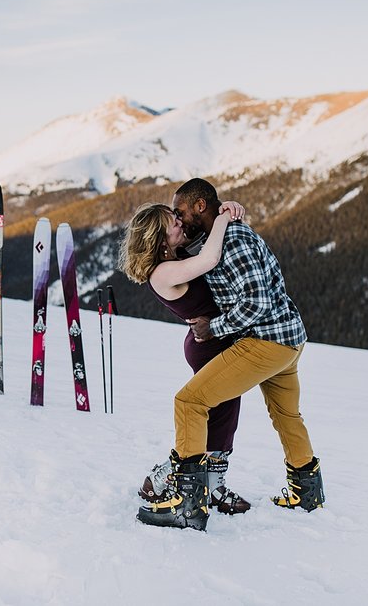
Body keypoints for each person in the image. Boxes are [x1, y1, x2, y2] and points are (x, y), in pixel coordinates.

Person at [138, 178, 325, 531]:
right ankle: (307, 492)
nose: (178, 219)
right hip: (287, 338)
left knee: (189, 402)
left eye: (180, 211)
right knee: (286, 415)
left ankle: (187, 503)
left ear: (199, 207)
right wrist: (228, 213)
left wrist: (214, 329)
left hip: (265, 341)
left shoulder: (233, 242)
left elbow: (256, 302)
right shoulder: (217, 238)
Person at [119, 201, 251, 516]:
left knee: (224, 413)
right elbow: (211, 257)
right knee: (214, 414)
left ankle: (213, 482)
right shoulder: (162, 273)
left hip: (216, 340)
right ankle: (164, 477)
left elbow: (203, 237)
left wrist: (224, 210)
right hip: (208, 345)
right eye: (173, 221)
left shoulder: (175, 258)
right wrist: (222, 217)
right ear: (160, 238)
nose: (180, 222)